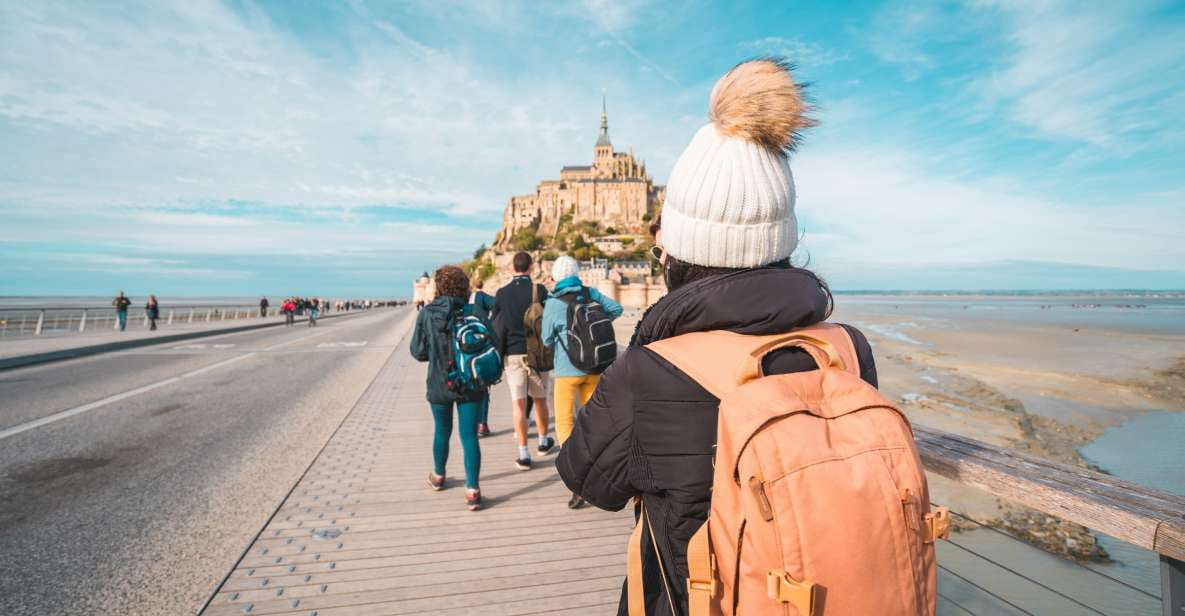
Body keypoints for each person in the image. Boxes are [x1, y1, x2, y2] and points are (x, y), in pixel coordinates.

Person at [556, 59, 879, 615]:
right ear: (783, 240)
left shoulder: (650, 368)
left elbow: (587, 478)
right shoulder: (848, 348)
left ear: (678, 249)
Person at [542, 255, 622, 509]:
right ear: (577, 273)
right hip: (595, 367)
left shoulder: (553, 302)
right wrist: (592, 328)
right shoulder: (590, 293)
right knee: (594, 421)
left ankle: (575, 476)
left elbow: (546, 340)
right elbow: (616, 309)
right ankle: (598, 469)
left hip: (567, 371)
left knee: (565, 421)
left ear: (556, 276)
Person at [410, 265, 490, 511]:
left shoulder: (427, 313)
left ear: (439, 286)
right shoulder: (474, 311)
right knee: (469, 437)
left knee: (441, 431)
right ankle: (473, 490)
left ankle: (438, 476)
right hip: (471, 381)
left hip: (439, 382)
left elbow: (418, 352)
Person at [491, 252, 553, 471]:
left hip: (513, 354)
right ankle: (544, 442)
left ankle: (523, 453)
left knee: (518, 404)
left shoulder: (502, 293)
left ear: (512, 268)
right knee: (540, 400)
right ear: (531, 267)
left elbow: (496, 325)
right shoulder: (540, 290)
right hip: (537, 353)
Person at [468, 278, 498, 437]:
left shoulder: (454, 300)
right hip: (481, 347)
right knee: (483, 387)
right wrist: (490, 321)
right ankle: (482, 424)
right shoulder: (480, 297)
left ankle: (470, 423)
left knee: (467, 387)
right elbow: (497, 304)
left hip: (461, 350)